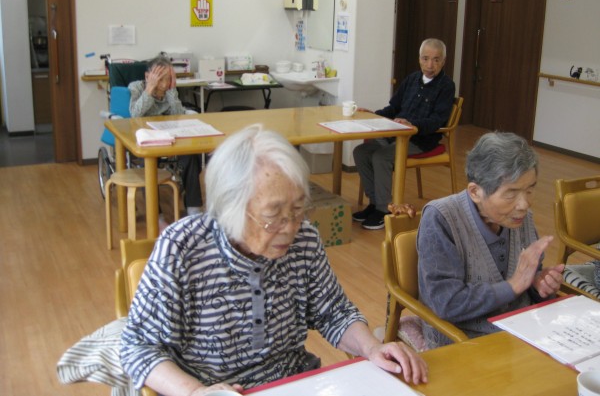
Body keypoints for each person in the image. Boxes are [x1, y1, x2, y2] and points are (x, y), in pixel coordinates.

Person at [120, 124, 428, 395]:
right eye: (273, 215)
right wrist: (195, 392)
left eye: (297, 209)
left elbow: (334, 312)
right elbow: (138, 346)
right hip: (210, 387)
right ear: (231, 207)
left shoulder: (304, 239)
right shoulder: (182, 248)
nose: (290, 227)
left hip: (293, 383)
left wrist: (372, 348)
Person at [417, 132, 565, 349]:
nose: (524, 204)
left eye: (530, 190)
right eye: (511, 194)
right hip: (462, 337)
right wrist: (513, 286)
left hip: (521, 327)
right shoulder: (441, 218)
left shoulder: (521, 218)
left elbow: (529, 279)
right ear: (475, 192)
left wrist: (538, 283)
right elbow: (446, 303)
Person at [352, 38, 456, 230]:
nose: (430, 65)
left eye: (436, 60)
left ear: (444, 61)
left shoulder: (446, 86)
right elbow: (393, 108)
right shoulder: (411, 79)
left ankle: (384, 210)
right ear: (419, 59)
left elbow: (437, 120)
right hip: (396, 136)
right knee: (361, 151)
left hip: (421, 140)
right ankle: (375, 203)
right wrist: (373, 115)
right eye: (425, 59)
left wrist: (413, 124)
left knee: (381, 157)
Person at [129, 55, 203, 215]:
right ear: (148, 76)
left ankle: (194, 208)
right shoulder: (136, 88)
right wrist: (150, 89)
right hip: (146, 139)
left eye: (168, 78)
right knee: (148, 162)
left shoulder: (169, 90)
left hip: (170, 136)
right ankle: (157, 214)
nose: (164, 84)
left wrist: (171, 90)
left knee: (191, 154)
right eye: (160, 79)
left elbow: (178, 114)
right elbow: (135, 115)